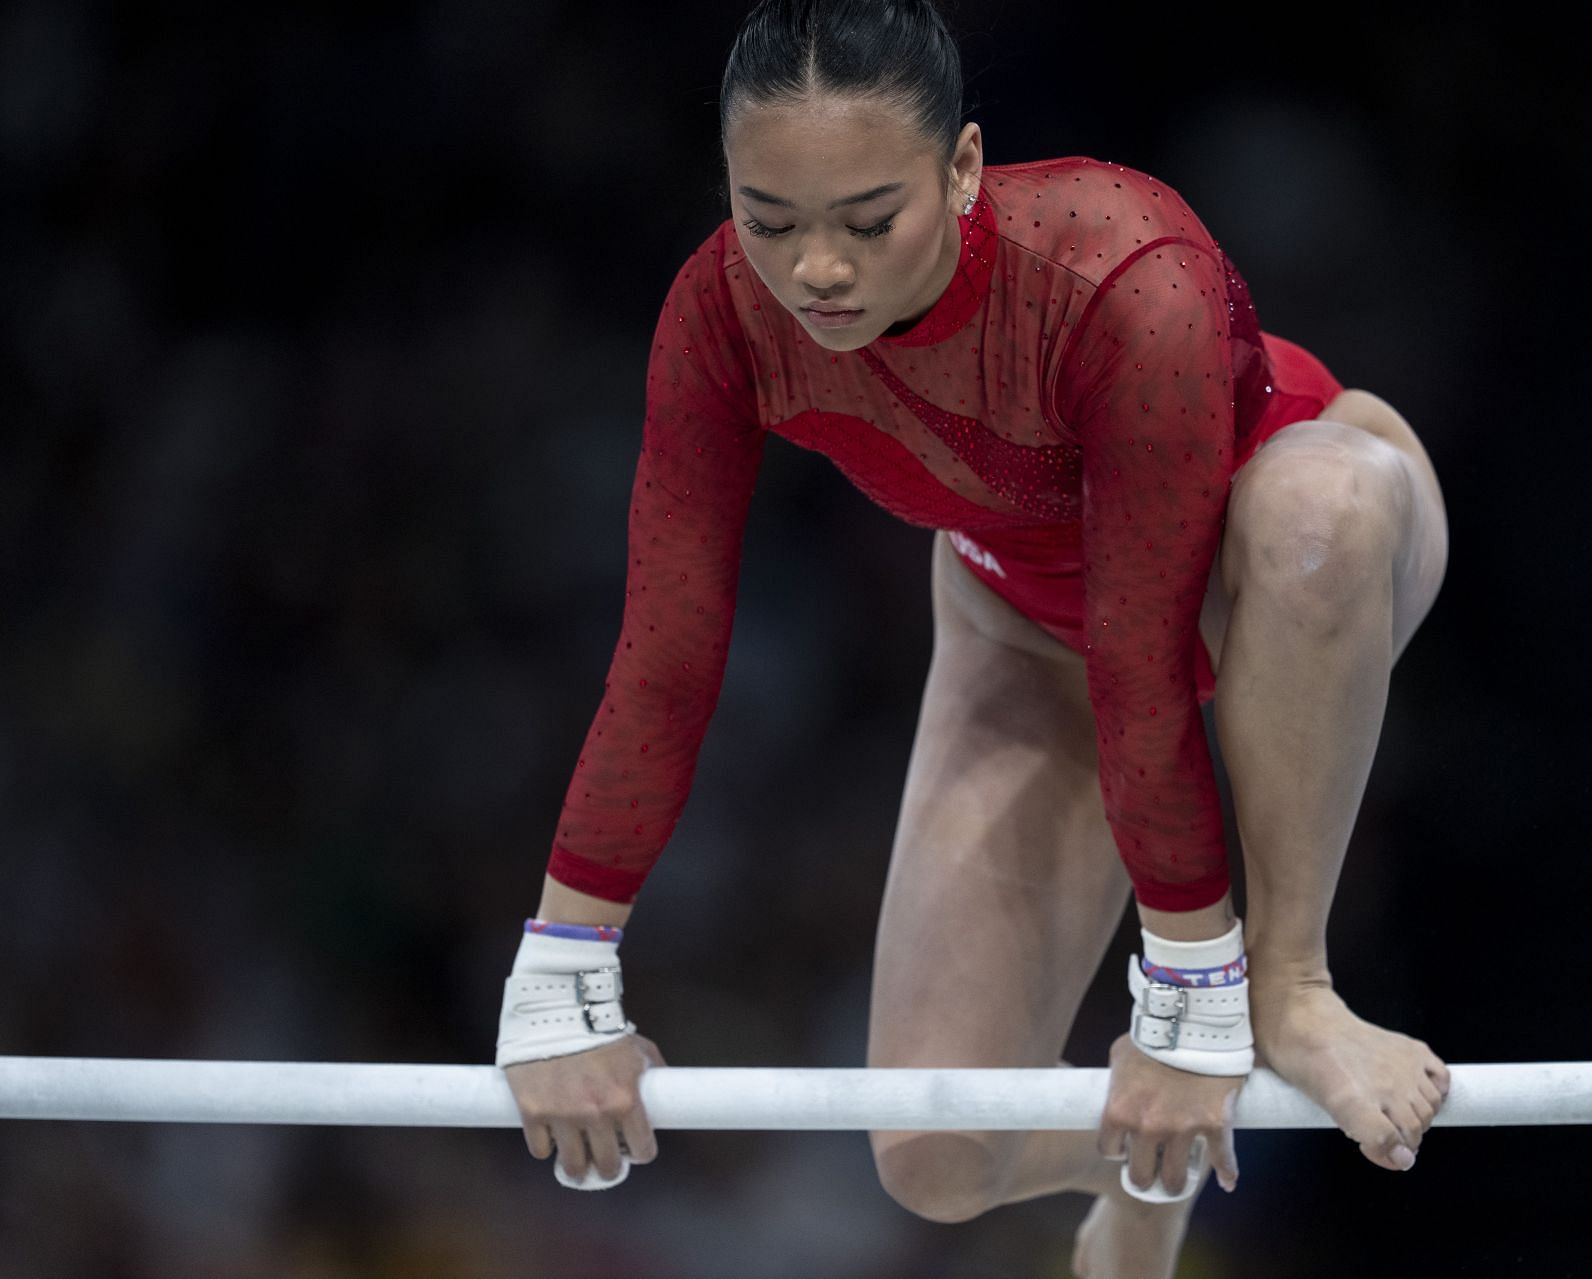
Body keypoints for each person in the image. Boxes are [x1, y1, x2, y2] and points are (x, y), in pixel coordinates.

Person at [495, 0, 1452, 1273]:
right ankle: (1150, 1167)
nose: (815, 271)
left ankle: (1293, 990)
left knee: (1316, 517)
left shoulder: (1121, 268)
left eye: (868, 220)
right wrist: (563, 976)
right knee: (937, 1153)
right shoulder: (722, 318)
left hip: (1293, 543)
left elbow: (1147, 661)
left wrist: (1195, 1005)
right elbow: (668, 653)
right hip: (1026, 622)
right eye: (768, 220)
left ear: (962, 168)